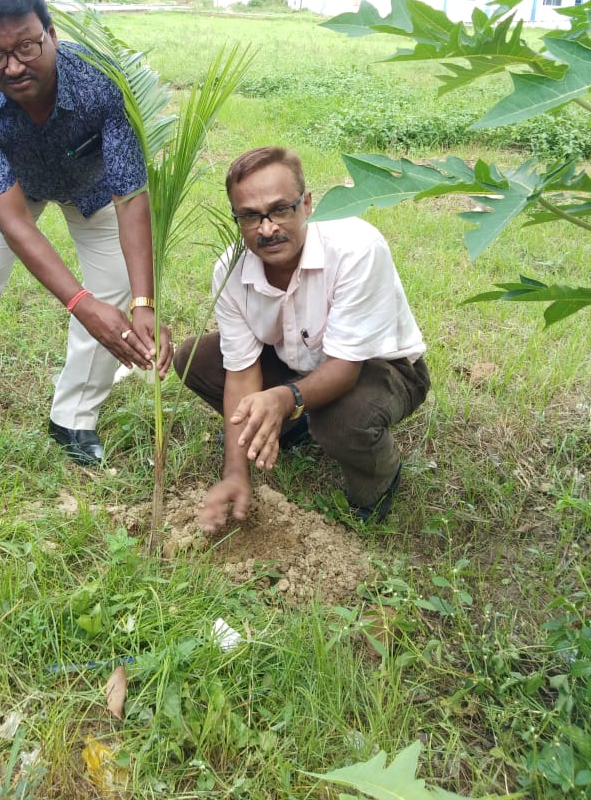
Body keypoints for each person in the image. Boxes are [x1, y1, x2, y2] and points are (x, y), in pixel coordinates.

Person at [0, 0, 171, 465]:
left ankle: (73, 417)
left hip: (93, 189)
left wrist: (143, 302)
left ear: (51, 35)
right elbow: (14, 224)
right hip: (14, 190)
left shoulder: (102, 81)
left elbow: (131, 196)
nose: (13, 66)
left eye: (27, 47)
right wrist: (78, 301)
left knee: (115, 290)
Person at [173, 147, 429, 529]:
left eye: (280, 209)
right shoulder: (230, 270)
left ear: (307, 204)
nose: (267, 228)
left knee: (340, 420)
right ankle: (290, 428)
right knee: (196, 357)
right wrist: (235, 472)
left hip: (380, 368)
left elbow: (344, 370)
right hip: (296, 361)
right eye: (250, 216)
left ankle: (378, 479)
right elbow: (240, 375)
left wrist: (284, 398)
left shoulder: (356, 247)